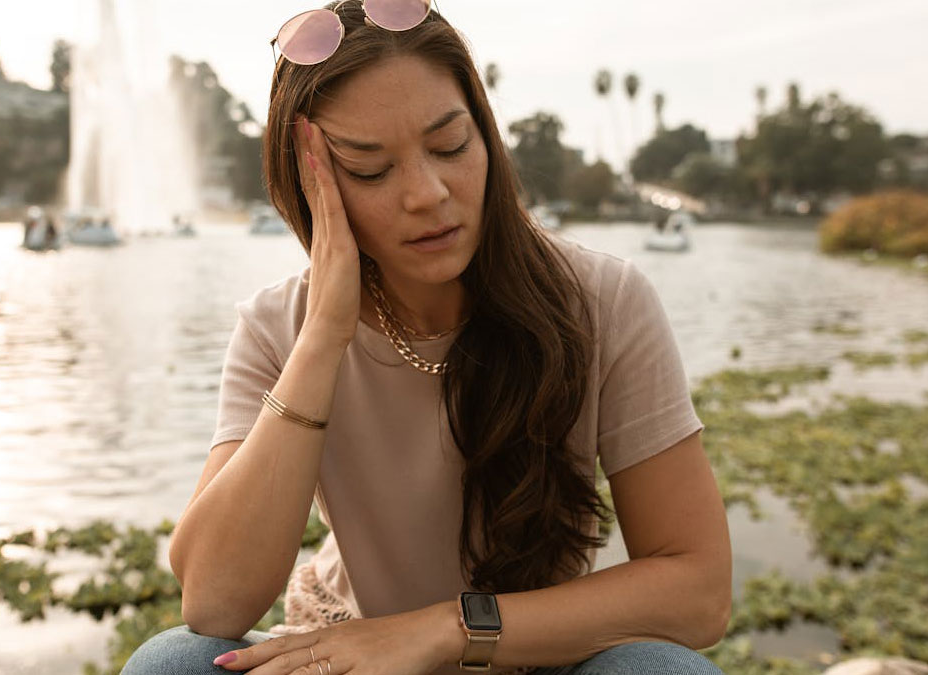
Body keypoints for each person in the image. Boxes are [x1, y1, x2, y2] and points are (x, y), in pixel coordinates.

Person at [124, 2, 730, 674]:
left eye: (449, 146)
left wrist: (446, 627)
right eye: (371, 170)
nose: (427, 193)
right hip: (348, 656)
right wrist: (325, 333)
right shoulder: (278, 328)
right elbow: (213, 601)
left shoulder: (602, 300)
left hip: (532, 656)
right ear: (312, 185)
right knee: (174, 662)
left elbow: (697, 592)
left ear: (485, 134)